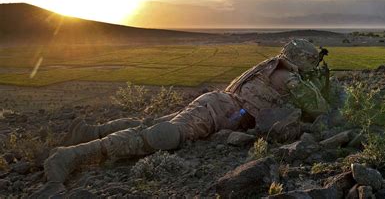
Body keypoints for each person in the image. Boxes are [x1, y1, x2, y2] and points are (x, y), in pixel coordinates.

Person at [36, 39, 332, 196]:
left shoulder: (272, 68)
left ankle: (89, 131)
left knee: (151, 125)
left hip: (217, 105)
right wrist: (320, 88)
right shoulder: (288, 77)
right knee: (164, 136)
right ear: (302, 59)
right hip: (218, 110)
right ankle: (71, 155)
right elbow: (318, 108)